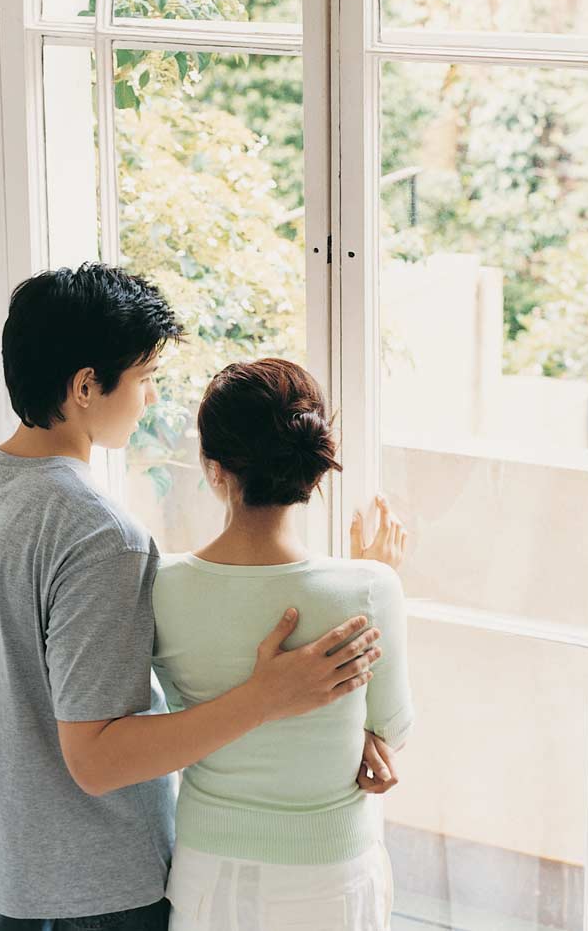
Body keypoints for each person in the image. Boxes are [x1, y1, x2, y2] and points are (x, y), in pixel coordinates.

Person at [0, 264, 389, 930]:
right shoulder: (101, 535)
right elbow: (98, 761)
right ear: (85, 387)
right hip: (97, 893)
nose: (152, 396)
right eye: (145, 376)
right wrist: (267, 696)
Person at [153, 358, 414, 931]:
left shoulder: (162, 587)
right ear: (310, 472)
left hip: (210, 878)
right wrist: (372, 579)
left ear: (214, 468)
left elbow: (165, 722)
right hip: (334, 876)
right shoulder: (370, 587)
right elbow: (389, 733)